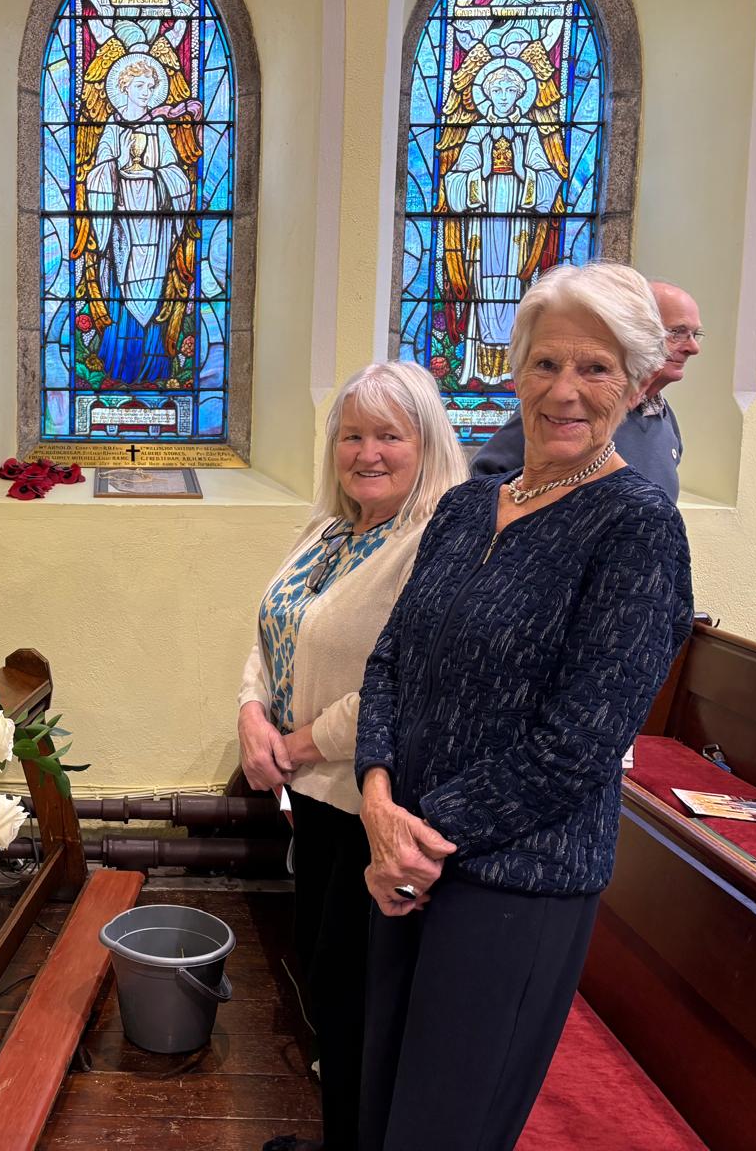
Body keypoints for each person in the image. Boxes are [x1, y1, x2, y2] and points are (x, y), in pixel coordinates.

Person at [353, 261, 693, 1151]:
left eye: (595, 367)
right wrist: (378, 797)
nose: (565, 391)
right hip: (406, 866)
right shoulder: (465, 508)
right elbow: (391, 659)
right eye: (545, 364)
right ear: (515, 373)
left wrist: (418, 831)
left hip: (517, 882)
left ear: (637, 381)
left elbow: (581, 742)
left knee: (443, 1129)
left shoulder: (638, 528)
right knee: (379, 1105)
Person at [239, 362, 466, 1151]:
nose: (367, 452)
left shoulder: (437, 540)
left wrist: (298, 743)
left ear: (427, 443)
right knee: (326, 980)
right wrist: (248, 713)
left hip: (373, 796)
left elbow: (409, 678)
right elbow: (273, 629)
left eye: (390, 436)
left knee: (359, 997)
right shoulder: (330, 528)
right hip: (313, 795)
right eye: (353, 434)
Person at [470, 280, 702, 499]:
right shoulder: (560, 414)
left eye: (695, 334)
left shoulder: (664, 416)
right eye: (677, 332)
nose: (693, 347)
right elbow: (484, 481)